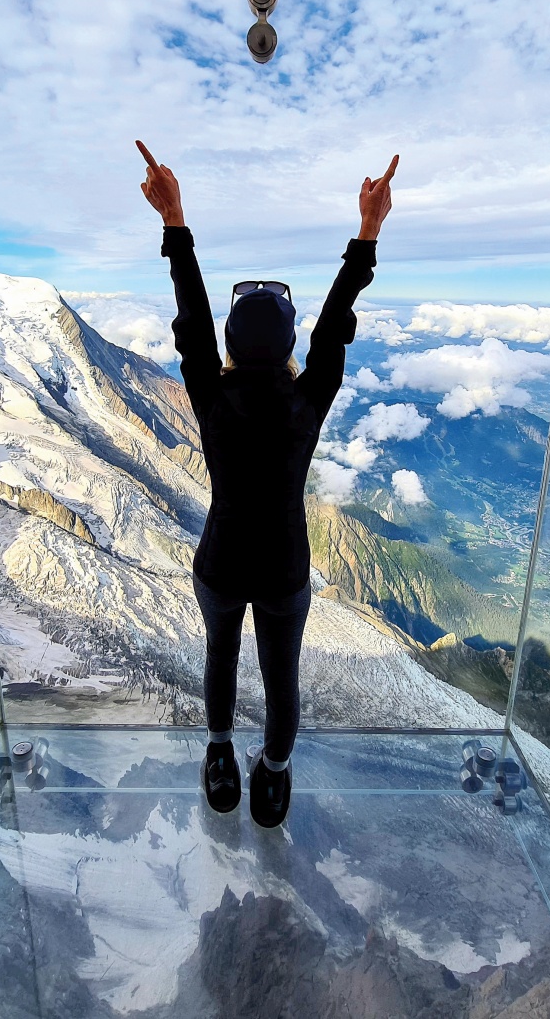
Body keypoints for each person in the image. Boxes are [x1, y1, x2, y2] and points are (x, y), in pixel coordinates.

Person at [136, 139, 398, 828]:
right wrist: (366, 234)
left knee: (220, 657)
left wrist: (175, 219)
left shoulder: (211, 399)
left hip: (220, 560)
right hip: (285, 567)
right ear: (287, 347)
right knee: (282, 678)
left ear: (229, 343)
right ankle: (273, 776)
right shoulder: (306, 404)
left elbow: (189, 319)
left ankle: (219, 756)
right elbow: (335, 330)